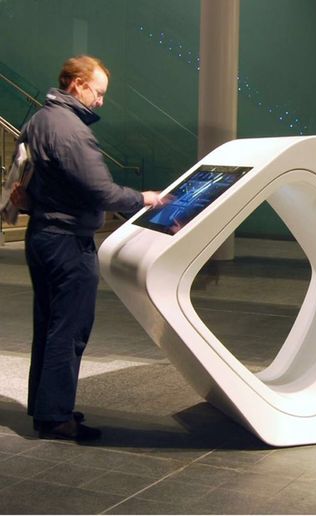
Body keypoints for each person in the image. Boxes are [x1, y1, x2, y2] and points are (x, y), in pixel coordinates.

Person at [11, 55, 166, 441]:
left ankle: (46, 408)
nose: (100, 101)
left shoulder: (37, 121)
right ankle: (56, 416)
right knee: (70, 330)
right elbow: (99, 189)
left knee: (49, 326)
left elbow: (22, 176)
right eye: (98, 93)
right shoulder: (71, 131)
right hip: (67, 243)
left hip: (42, 236)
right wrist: (142, 197)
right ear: (78, 85)